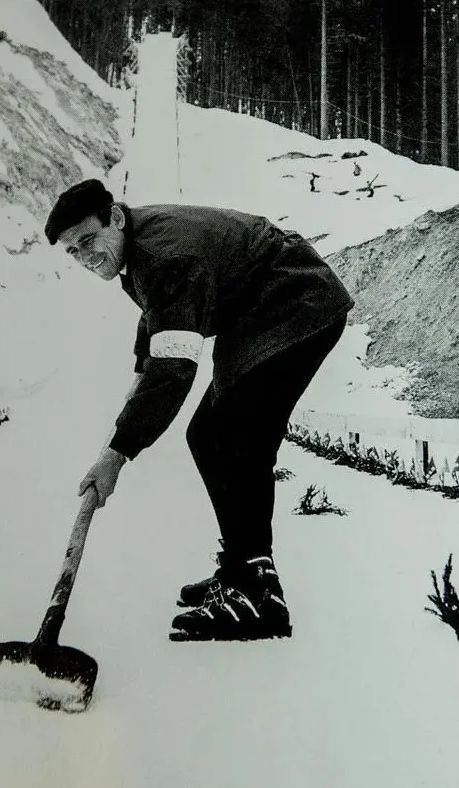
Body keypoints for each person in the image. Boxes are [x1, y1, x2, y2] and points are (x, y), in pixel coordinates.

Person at [44, 179, 354, 642]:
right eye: (73, 252)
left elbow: (174, 370)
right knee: (212, 434)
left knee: (232, 435)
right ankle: (242, 574)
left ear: (116, 218)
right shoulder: (141, 248)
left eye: (88, 241)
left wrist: (116, 454)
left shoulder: (164, 255)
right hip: (272, 308)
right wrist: (140, 369)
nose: (86, 258)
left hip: (294, 304)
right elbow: (158, 313)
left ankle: (255, 594)